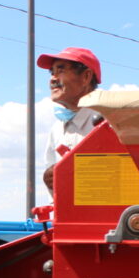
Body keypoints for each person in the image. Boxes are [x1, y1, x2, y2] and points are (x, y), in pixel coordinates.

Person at [36, 47, 103, 195]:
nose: (53, 79)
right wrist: (49, 178)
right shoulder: (57, 128)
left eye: (60, 71)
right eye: (52, 72)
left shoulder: (110, 122)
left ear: (86, 76)